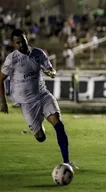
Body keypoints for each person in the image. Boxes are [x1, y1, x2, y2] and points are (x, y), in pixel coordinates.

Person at [0, 29, 78, 169]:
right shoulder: (12, 59)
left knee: (59, 125)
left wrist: (51, 72)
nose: (22, 45)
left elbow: (50, 69)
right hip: (27, 103)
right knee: (41, 138)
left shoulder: (39, 53)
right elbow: (0, 80)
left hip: (43, 95)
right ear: (13, 44)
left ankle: (67, 162)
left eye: (23, 41)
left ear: (27, 39)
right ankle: (38, 126)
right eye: (18, 43)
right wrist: (3, 101)